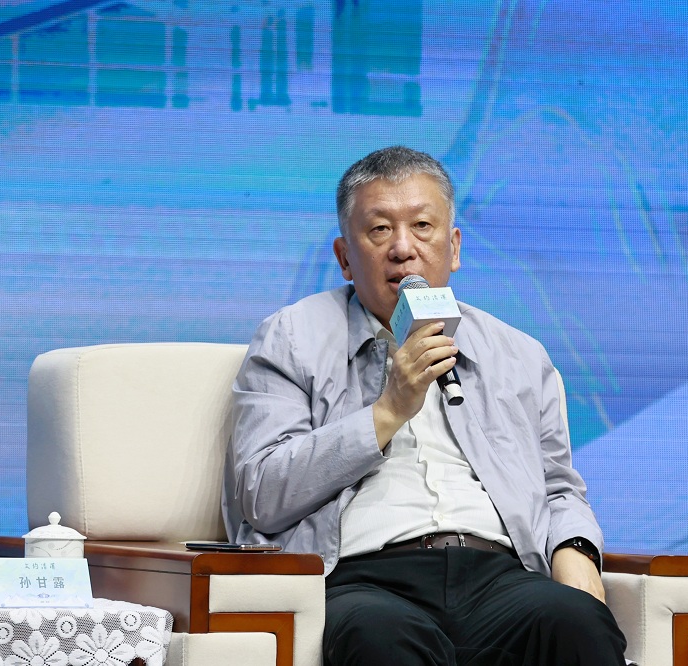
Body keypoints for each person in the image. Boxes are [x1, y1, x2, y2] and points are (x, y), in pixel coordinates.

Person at [223, 146, 627, 665]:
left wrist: (577, 551)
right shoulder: (292, 337)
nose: (403, 249)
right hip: (365, 578)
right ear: (344, 257)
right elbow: (260, 491)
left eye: (421, 226)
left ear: (453, 247)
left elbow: (558, 489)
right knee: (380, 637)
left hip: (499, 576)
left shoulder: (519, 354)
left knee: (577, 622)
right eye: (379, 230)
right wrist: (387, 411)